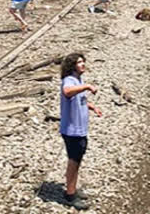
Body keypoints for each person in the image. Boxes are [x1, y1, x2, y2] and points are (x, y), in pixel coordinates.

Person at [59, 53, 102, 210]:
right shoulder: (69, 80)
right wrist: (86, 86)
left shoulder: (78, 80)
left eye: (84, 61)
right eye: (79, 62)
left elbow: (80, 99)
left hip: (80, 130)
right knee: (73, 161)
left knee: (77, 160)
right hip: (72, 131)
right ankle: (70, 195)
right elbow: (68, 92)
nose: (83, 64)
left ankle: (73, 189)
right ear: (72, 66)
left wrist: (92, 107)